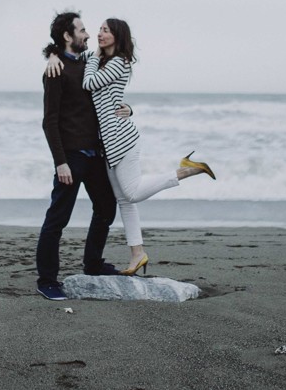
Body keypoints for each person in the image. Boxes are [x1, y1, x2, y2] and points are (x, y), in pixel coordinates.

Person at [49, 17, 215, 276]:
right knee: (124, 201)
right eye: (99, 30)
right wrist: (51, 55)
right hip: (108, 143)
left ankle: (184, 171)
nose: (99, 34)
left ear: (117, 36)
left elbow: (89, 83)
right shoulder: (100, 60)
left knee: (133, 193)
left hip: (121, 140)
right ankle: (138, 254)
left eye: (105, 30)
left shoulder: (119, 62)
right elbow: (70, 56)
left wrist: (94, 58)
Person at [35, 11, 129, 301]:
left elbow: (108, 94)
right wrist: (60, 162)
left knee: (106, 208)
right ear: (68, 36)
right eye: (82, 30)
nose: (88, 35)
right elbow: (49, 121)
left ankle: (93, 264)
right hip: (71, 157)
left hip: (95, 154)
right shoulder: (55, 70)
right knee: (57, 218)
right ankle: (47, 280)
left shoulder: (89, 63)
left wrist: (129, 108)